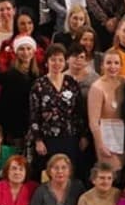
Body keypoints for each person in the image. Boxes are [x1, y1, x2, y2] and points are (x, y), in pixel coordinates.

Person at [29, 44, 88, 176]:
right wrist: (38, 140)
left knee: (70, 173)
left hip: (70, 137)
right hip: (48, 138)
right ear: (47, 62)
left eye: (60, 60)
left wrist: (84, 135)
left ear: (65, 62)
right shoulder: (39, 85)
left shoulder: (71, 82)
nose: (57, 63)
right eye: (53, 59)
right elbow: (34, 115)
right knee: (51, 174)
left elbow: (79, 111)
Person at [0, 35, 39, 147]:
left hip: (32, 126)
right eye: (21, 49)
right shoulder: (10, 76)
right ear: (16, 52)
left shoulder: (36, 75)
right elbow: (5, 105)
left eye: (28, 48)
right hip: (16, 129)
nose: (26, 52)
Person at [89, 47, 125, 166]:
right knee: (111, 170)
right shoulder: (97, 87)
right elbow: (93, 122)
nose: (112, 66)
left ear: (121, 65)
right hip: (106, 137)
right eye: (109, 63)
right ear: (102, 65)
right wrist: (101, 145)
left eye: (116, 63)